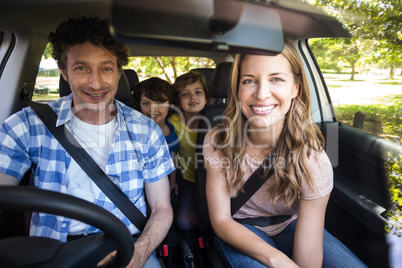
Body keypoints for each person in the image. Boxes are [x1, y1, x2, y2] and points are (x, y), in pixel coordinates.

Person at [0, 16, 174, 268]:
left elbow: (161, 209)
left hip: (125, 248)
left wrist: (141, 251)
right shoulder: (27, 125)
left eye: (106, 68)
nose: (95, 83)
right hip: (53, 251)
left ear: (118, 71)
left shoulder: (146, 130)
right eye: (81, 68)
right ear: (64, 71)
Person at [203, 41, 367, 267]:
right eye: (249, 80)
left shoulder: (313, 158)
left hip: (293, 225)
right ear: (237, 88)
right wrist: (277, 259)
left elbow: (309, 249)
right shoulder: (218, 140)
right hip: (239, 227)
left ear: (295, 88)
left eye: (276, 79)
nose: (261, 94)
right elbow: (221, 220)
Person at [168, 71, 211, 231]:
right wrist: (172, 181)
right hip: (189, 180)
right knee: (184, 222)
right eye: (185, 94)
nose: (193, 97)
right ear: (179, 102)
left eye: (198, 92)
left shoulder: (218, 120)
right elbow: (173, 153)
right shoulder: (174, 122)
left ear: (206, 97)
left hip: (217, 181)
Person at [133, 77, 179, 193]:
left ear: (171, 104)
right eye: (146, 103)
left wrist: (172, 181)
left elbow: (173, 157)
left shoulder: (170, 129)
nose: (153, 109)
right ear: (139, 105)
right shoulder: (135, 130)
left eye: (159, 103)